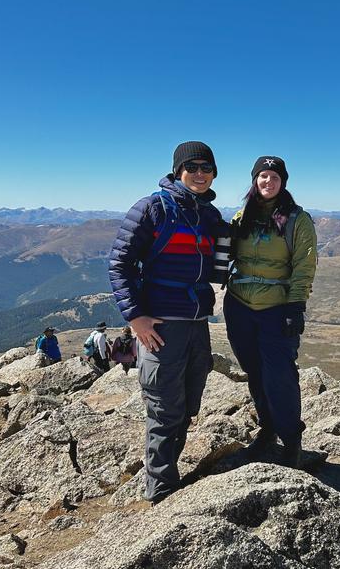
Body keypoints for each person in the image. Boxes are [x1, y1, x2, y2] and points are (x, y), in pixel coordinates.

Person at [109, 141, 224, 503]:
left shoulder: (209, 215)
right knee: (164, 410)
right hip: (159, 327)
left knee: (188, 405)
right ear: (178, 172)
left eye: (207, 167)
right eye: (193, 167)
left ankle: (168, 477)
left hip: (196, 323)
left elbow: (225, 255)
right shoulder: (152, 208)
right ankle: (160, 495)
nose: (200, 173)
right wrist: (136, 317)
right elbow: (119, 264)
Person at [225, 155, 317, 468]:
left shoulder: (296, 219)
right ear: (255, 180)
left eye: (274, 177)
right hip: (239, 306)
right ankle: (267, 431)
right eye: (263, 176)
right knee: (255, 372)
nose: (268, 182)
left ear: (283, 182)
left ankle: (291, 440)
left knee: (279, 376)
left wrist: (295, 304)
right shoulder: (242, 215)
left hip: (276, 310)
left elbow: (305, 264)